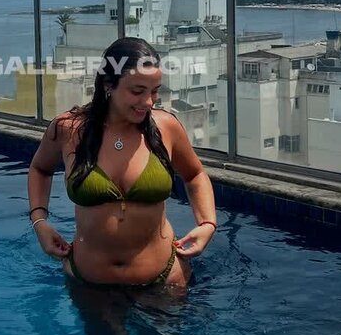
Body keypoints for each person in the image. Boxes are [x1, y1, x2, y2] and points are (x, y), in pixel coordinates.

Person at [27, 37, 217, 291]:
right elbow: (40, 169)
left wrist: (207, 224)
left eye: (154, 91)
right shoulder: (68, 129)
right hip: (89, 283)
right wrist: (39, 221)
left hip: (166, 281)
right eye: (137, 91)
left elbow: (194, 175)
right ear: (109, 84)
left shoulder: (166, 127)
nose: (148, 102)